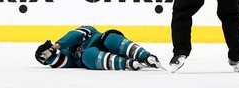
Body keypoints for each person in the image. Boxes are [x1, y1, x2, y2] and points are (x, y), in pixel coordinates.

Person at [35, 25, 163, 70]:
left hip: (103, 41)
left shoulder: (86, 30)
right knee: (87, 56)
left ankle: (145, 56)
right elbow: (62, 61)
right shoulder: (68, 53)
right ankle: (127, 64)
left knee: (111, 38)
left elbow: (75, 35)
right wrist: (47, 59)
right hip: (94, 57)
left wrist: (57, 45)